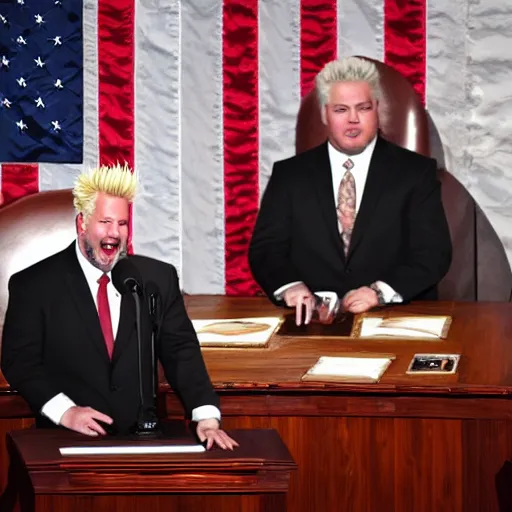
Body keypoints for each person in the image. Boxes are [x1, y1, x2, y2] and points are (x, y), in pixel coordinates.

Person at [1, 164, 237, 450]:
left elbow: (180, 350)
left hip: (141, 441)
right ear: (82, 223)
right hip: (67, 440)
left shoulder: (156, 279)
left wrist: (206, 415)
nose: (114, 233)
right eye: (105, 222)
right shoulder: (34, 284)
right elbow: (20, 361)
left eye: (122, 224)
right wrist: (65, 412)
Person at [249, 57, 452, 325]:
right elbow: (266, 249)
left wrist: (378, 293)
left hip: (393, 319)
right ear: (325, 113)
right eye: (341, 110)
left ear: (377, 109)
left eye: (363, 108)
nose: (353, 120)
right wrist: (291, 286)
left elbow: (433, 253)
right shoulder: (290, 175)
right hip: (311, 324)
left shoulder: (415, 172)